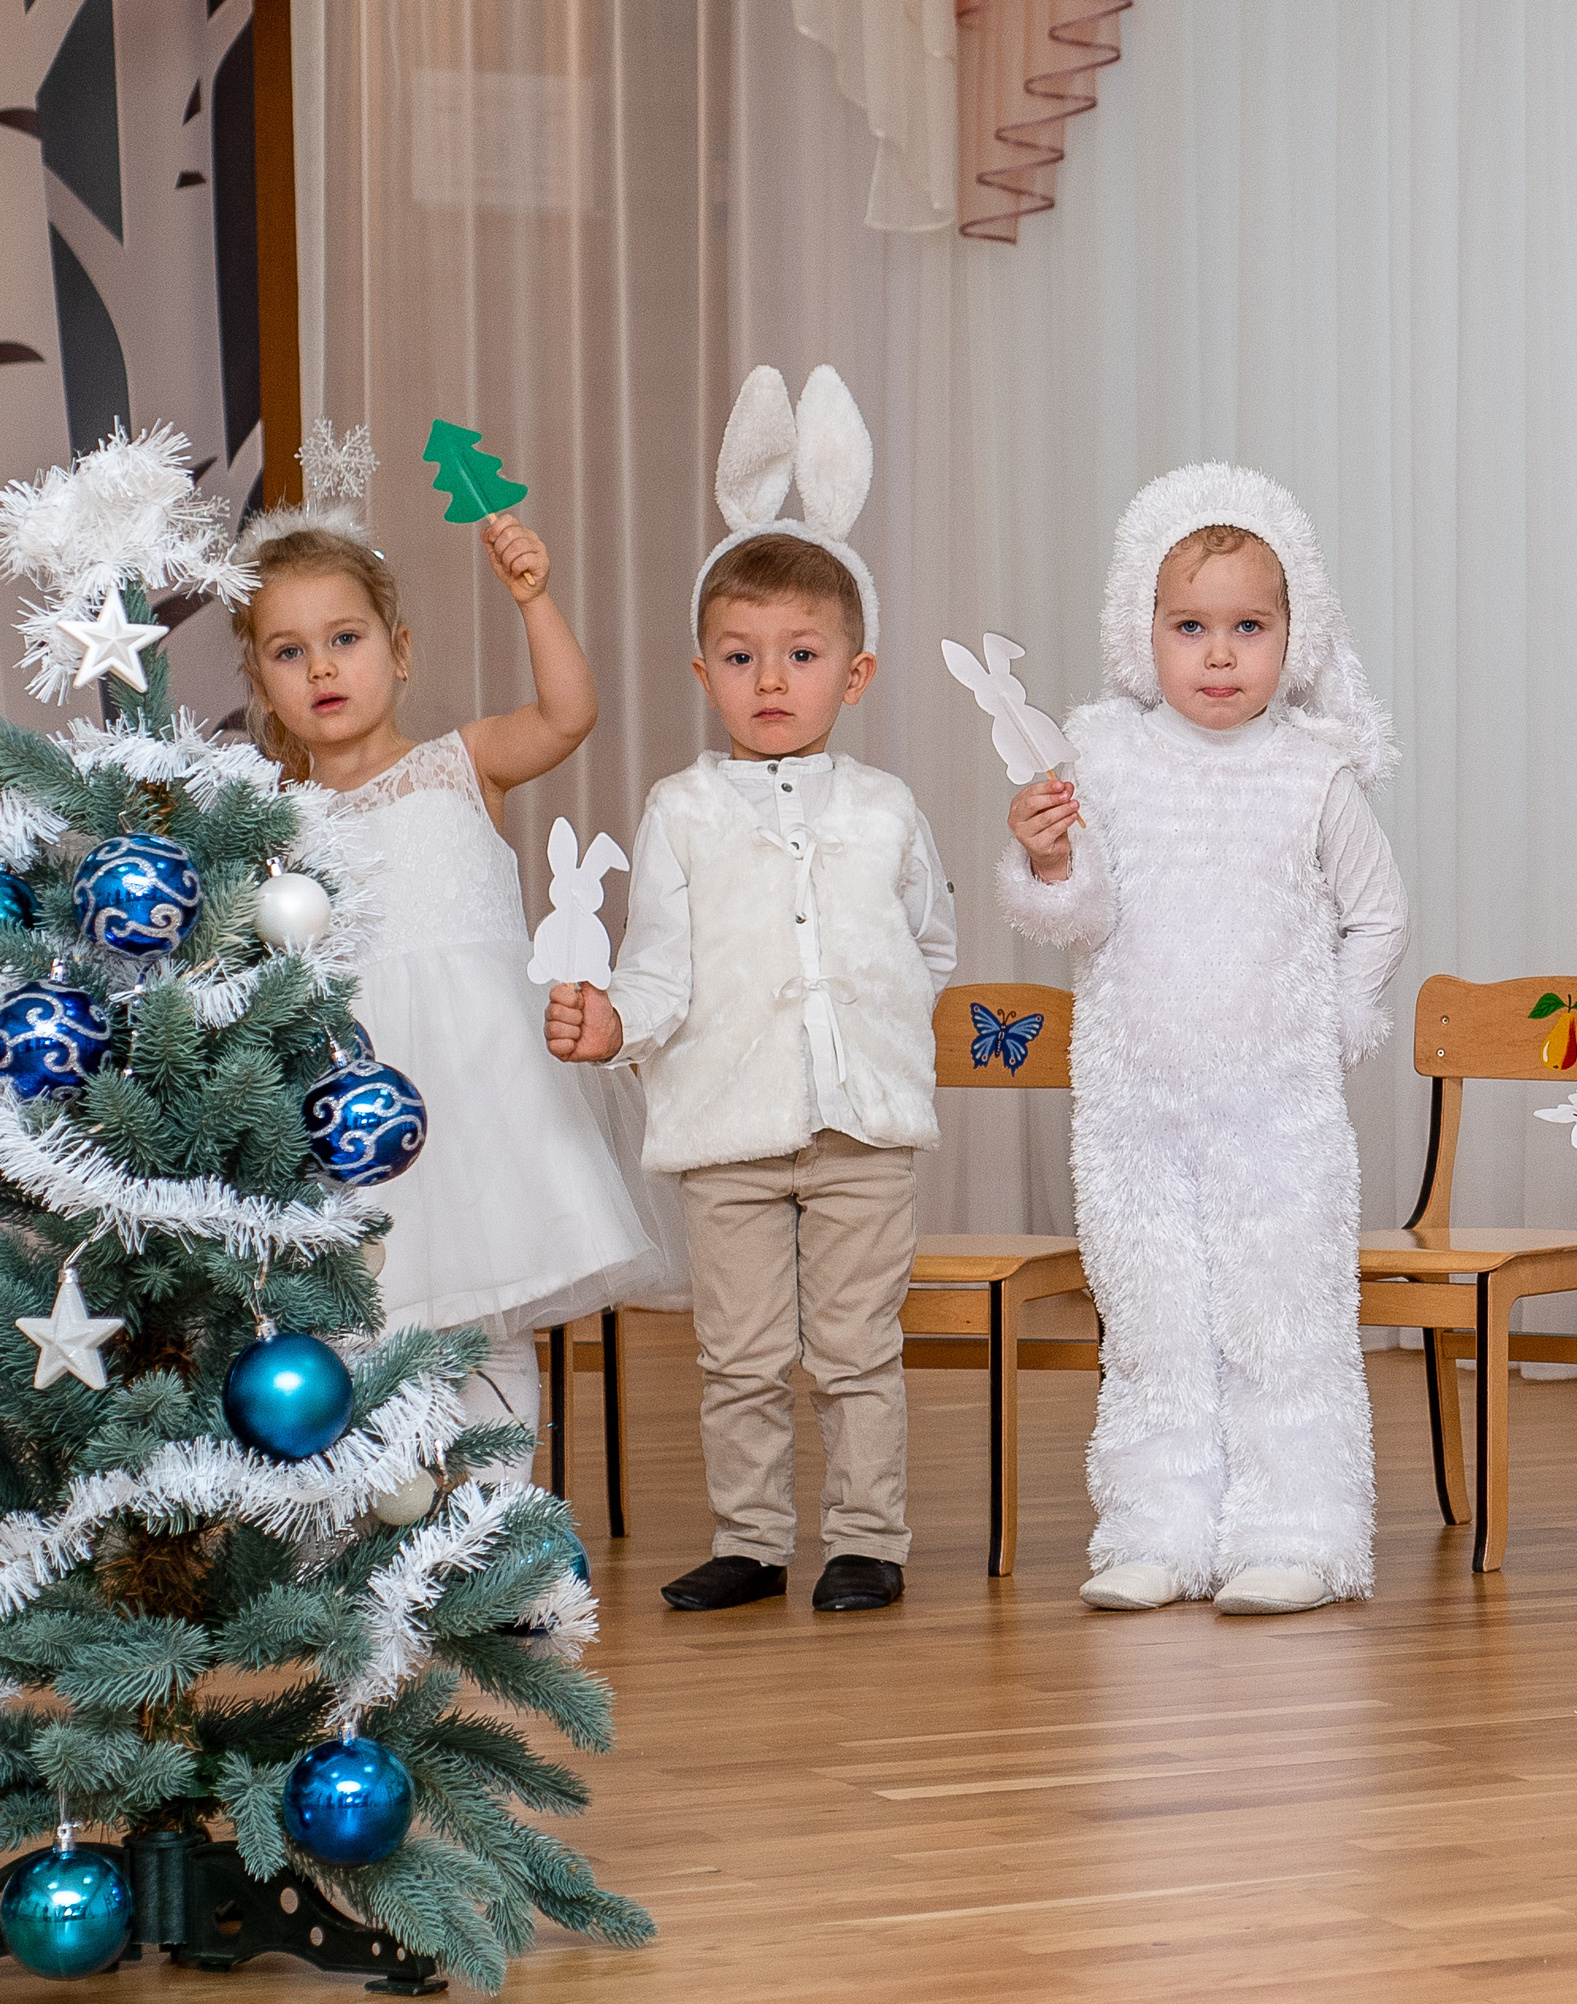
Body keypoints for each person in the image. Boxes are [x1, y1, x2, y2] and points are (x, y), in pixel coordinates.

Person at [547, 366, 954, 1616]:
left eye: (800, 655)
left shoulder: (885, 811)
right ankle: (751, 1537)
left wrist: (882, 1038)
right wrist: (618, 1022)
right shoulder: (681, 810)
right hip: (725, 1128)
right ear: (702, 668)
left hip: (861, 1128)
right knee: (734, 1351)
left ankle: (866, 1539)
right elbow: (659, 962)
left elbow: (928, 945)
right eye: (741, 656)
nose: (770, 680)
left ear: (856, 670)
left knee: (852, 1347)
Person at [999, 463, 1407, 1616]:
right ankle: (1156, 1529)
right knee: (1152, 1326)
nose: (1220, 655)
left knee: (1286, 1319)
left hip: (1279, 1110)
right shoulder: (1103, 762)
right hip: (1134, 1106)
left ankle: (1300, 1533)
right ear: (1144, 632)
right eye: (1191, 627)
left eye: (1248, 627)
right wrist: (1045, 860)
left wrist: (1329, 1019)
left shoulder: (1312, 774)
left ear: (1296, 634)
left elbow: (1378, 912)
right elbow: (1081, 920)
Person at [235, 444, 671, 1487]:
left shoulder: (459, 763)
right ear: (259, 679)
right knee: (364, 1317)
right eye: (290, 652)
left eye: (345, 639)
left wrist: (535, 597)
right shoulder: (271, 822)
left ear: (401, 649)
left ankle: (497, 1530)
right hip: (347, 1097)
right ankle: (373, 1536)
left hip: (481, 1087)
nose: (324, 667)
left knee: (485, 1310)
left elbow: (569, 715)